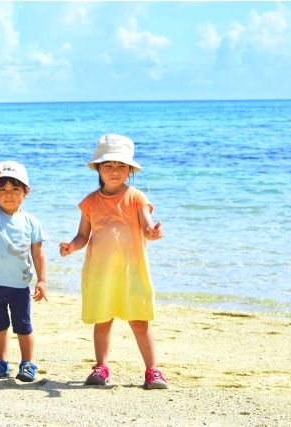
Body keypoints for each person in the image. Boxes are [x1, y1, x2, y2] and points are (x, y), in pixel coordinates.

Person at [59, 134, 168, 390]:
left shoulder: (137, 197)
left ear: (130, 169)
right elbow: (83, 235)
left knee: (140, 322)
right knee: (103, 321)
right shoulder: (89, 202)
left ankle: (152, 370)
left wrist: (153, 233)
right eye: (108, 165)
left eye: (121, 166)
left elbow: (147, 227)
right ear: (98, 168)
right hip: (100, 273)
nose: (115, 171)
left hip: (132, 272)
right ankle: (101, 366)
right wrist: (71, 247)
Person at [0, 160, 47, 382]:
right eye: (2, 189)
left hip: (19, 286)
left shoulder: (31, 221)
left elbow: (38, 253)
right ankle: (1, 362)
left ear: (26, 191)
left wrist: (42, 280)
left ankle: (27, 363)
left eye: (16, 189)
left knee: (23, 326)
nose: (8, 194)